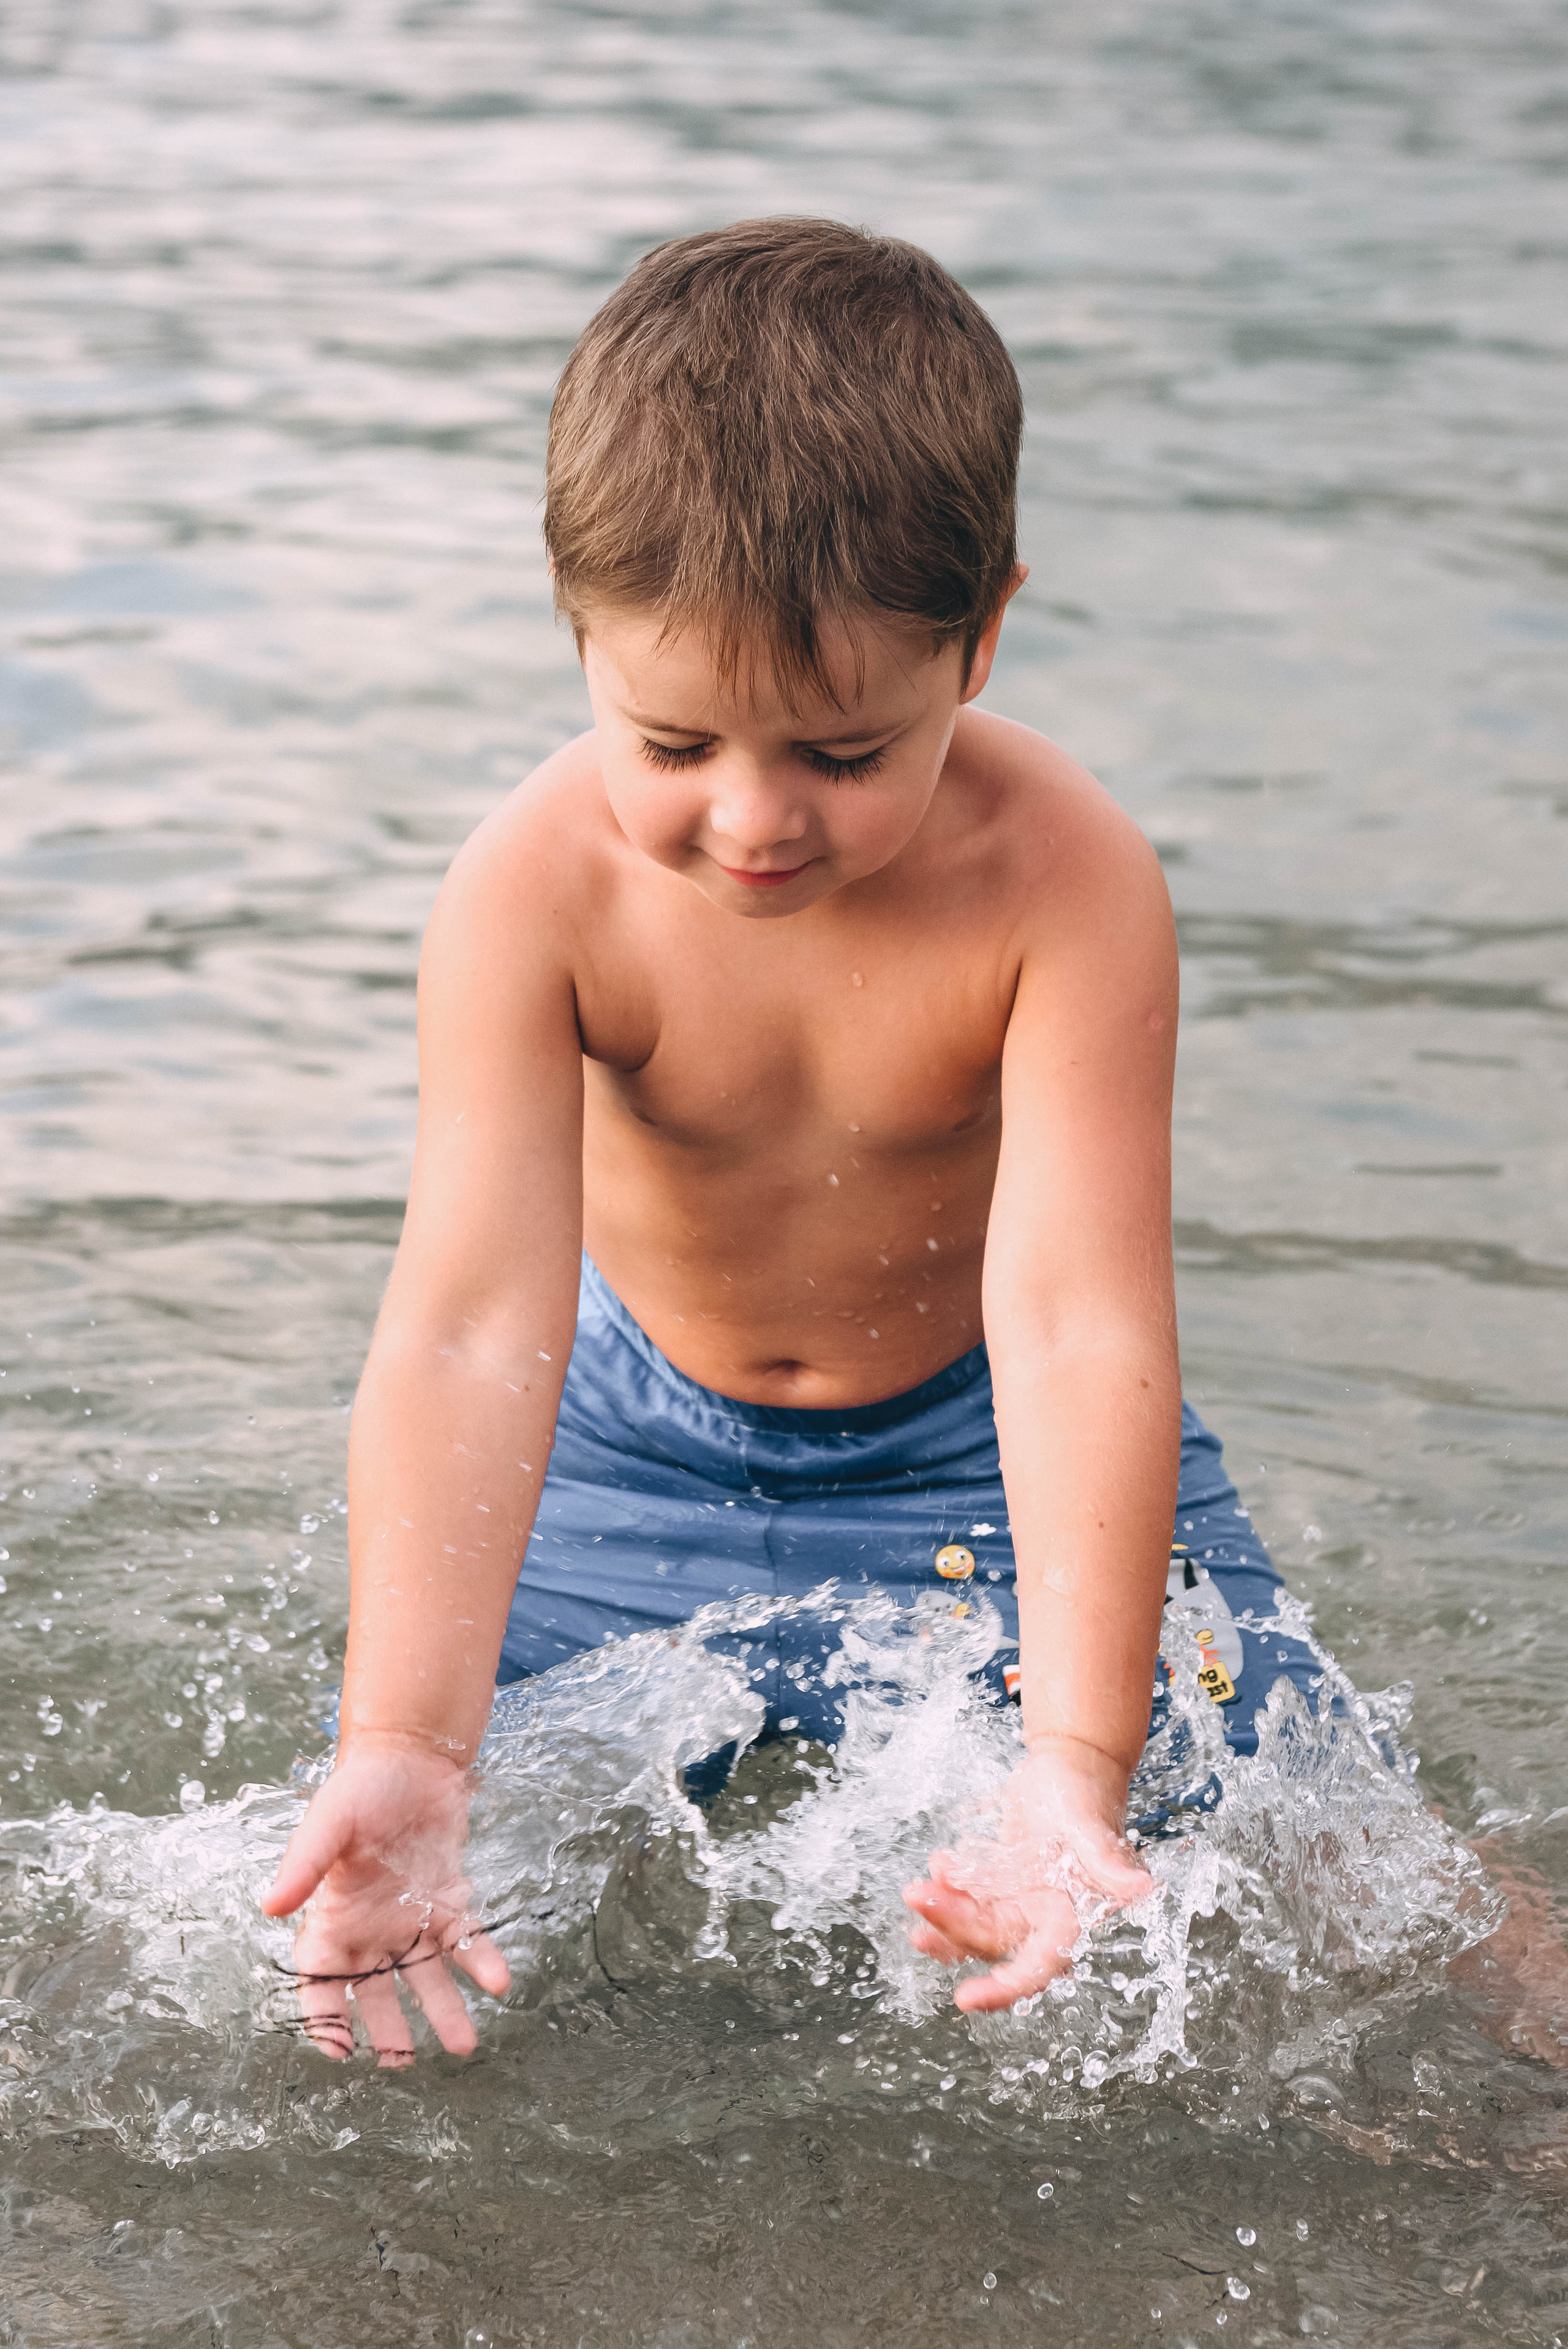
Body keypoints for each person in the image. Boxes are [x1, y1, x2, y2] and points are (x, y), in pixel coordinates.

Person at [261, 217, 1325, 2067]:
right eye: (673, 740)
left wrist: (1077, 1767)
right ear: (578, 628)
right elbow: (464, 1326)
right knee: (364, 1892)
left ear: (980, 633)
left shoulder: (1063, 888)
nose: (752, 821)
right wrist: (406, 1742)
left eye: (843, 754)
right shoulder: (530, 893)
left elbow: (1081, 1327)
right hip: (622, 1441)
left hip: (976, 1449)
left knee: (1337, 1855)